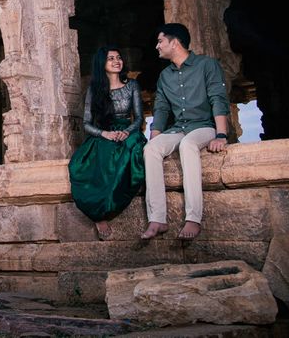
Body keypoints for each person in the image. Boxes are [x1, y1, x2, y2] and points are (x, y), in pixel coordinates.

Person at [141, 23, 230, 241]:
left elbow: (218, 99)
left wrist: (221, 135)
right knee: (151, 149)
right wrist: (156, 138)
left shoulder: (207, 65)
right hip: (179, 127)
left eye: (160, 41)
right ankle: (158, 219)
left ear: (175, 42)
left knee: (188, 145)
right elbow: (160, 108)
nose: (157, 46)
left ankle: (193, 218)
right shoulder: (165, 76)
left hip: (204, 127)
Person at [68, 46, 146, 240]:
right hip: (103, 132)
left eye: (119, 57)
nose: (116, 61)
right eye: (111, 58)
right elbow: (86, 123)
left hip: (128, 131)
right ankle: (98, 214)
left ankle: (113, 203)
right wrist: (105, 134)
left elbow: (138, 118)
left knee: (131, 150)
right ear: (102, 64)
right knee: (90, 162)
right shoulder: (94, 90)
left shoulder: (132, 85)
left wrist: (126, 132)